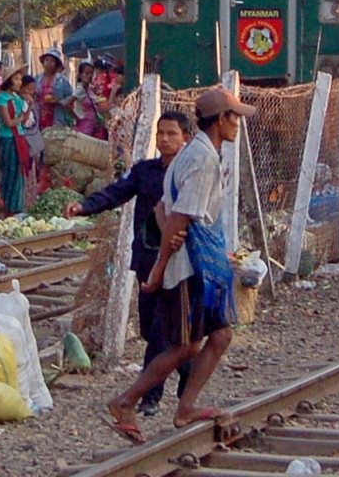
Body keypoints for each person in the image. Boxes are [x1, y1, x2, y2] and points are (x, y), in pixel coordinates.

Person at [107, 87, 251, 442]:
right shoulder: (201, 159)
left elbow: (162, 209)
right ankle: (126, 401)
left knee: (220, 335)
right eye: (235, 118)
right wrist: (159, 269)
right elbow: (178, 216)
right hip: (190, 266)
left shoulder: (198, 154)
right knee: (185, 345)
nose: (238, 125)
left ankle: (186, 407)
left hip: (201, 261)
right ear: (221, 120)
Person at [66, 110, 194, 415]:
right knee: (153, 329)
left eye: (171, 134)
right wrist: (84, 206)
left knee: (163, 330)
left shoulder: (191, 174)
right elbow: (116, 193)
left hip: (179, 261)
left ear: (186, 138)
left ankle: (150, 396)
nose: (164, 139)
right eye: (160, 133)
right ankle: (189, 379)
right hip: (147, 258)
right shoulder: (144, 171)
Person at [0, 67, 33, 214]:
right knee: (9, 173)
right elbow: (9, 123)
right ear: (9, 81)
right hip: (9, 139)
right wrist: (21, 117)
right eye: (16, 79)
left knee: (19, 173)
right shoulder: (1, 98)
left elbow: (23, 121)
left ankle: (16, 206)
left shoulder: (17, 98)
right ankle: (8, 206)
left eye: (20, 79)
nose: (19, 82)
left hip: (19, 138)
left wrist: (29, 106)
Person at [71, 61, 112, 138]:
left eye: (91, 74)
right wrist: (76, 117)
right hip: (83, 130)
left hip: (90, 128)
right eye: (86, 73)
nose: (89, 76)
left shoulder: (89, 90)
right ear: (80, 75)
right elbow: (66, 103)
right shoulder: (80, 90)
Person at [35, 52, 73, 129]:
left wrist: (58, 101)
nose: (49, 63)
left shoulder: (62, 80)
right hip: (39, 118)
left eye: (52, 61)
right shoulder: (37, 79)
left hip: (56, 118)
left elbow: (71, 101)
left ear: (56, 64)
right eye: (46, 60)